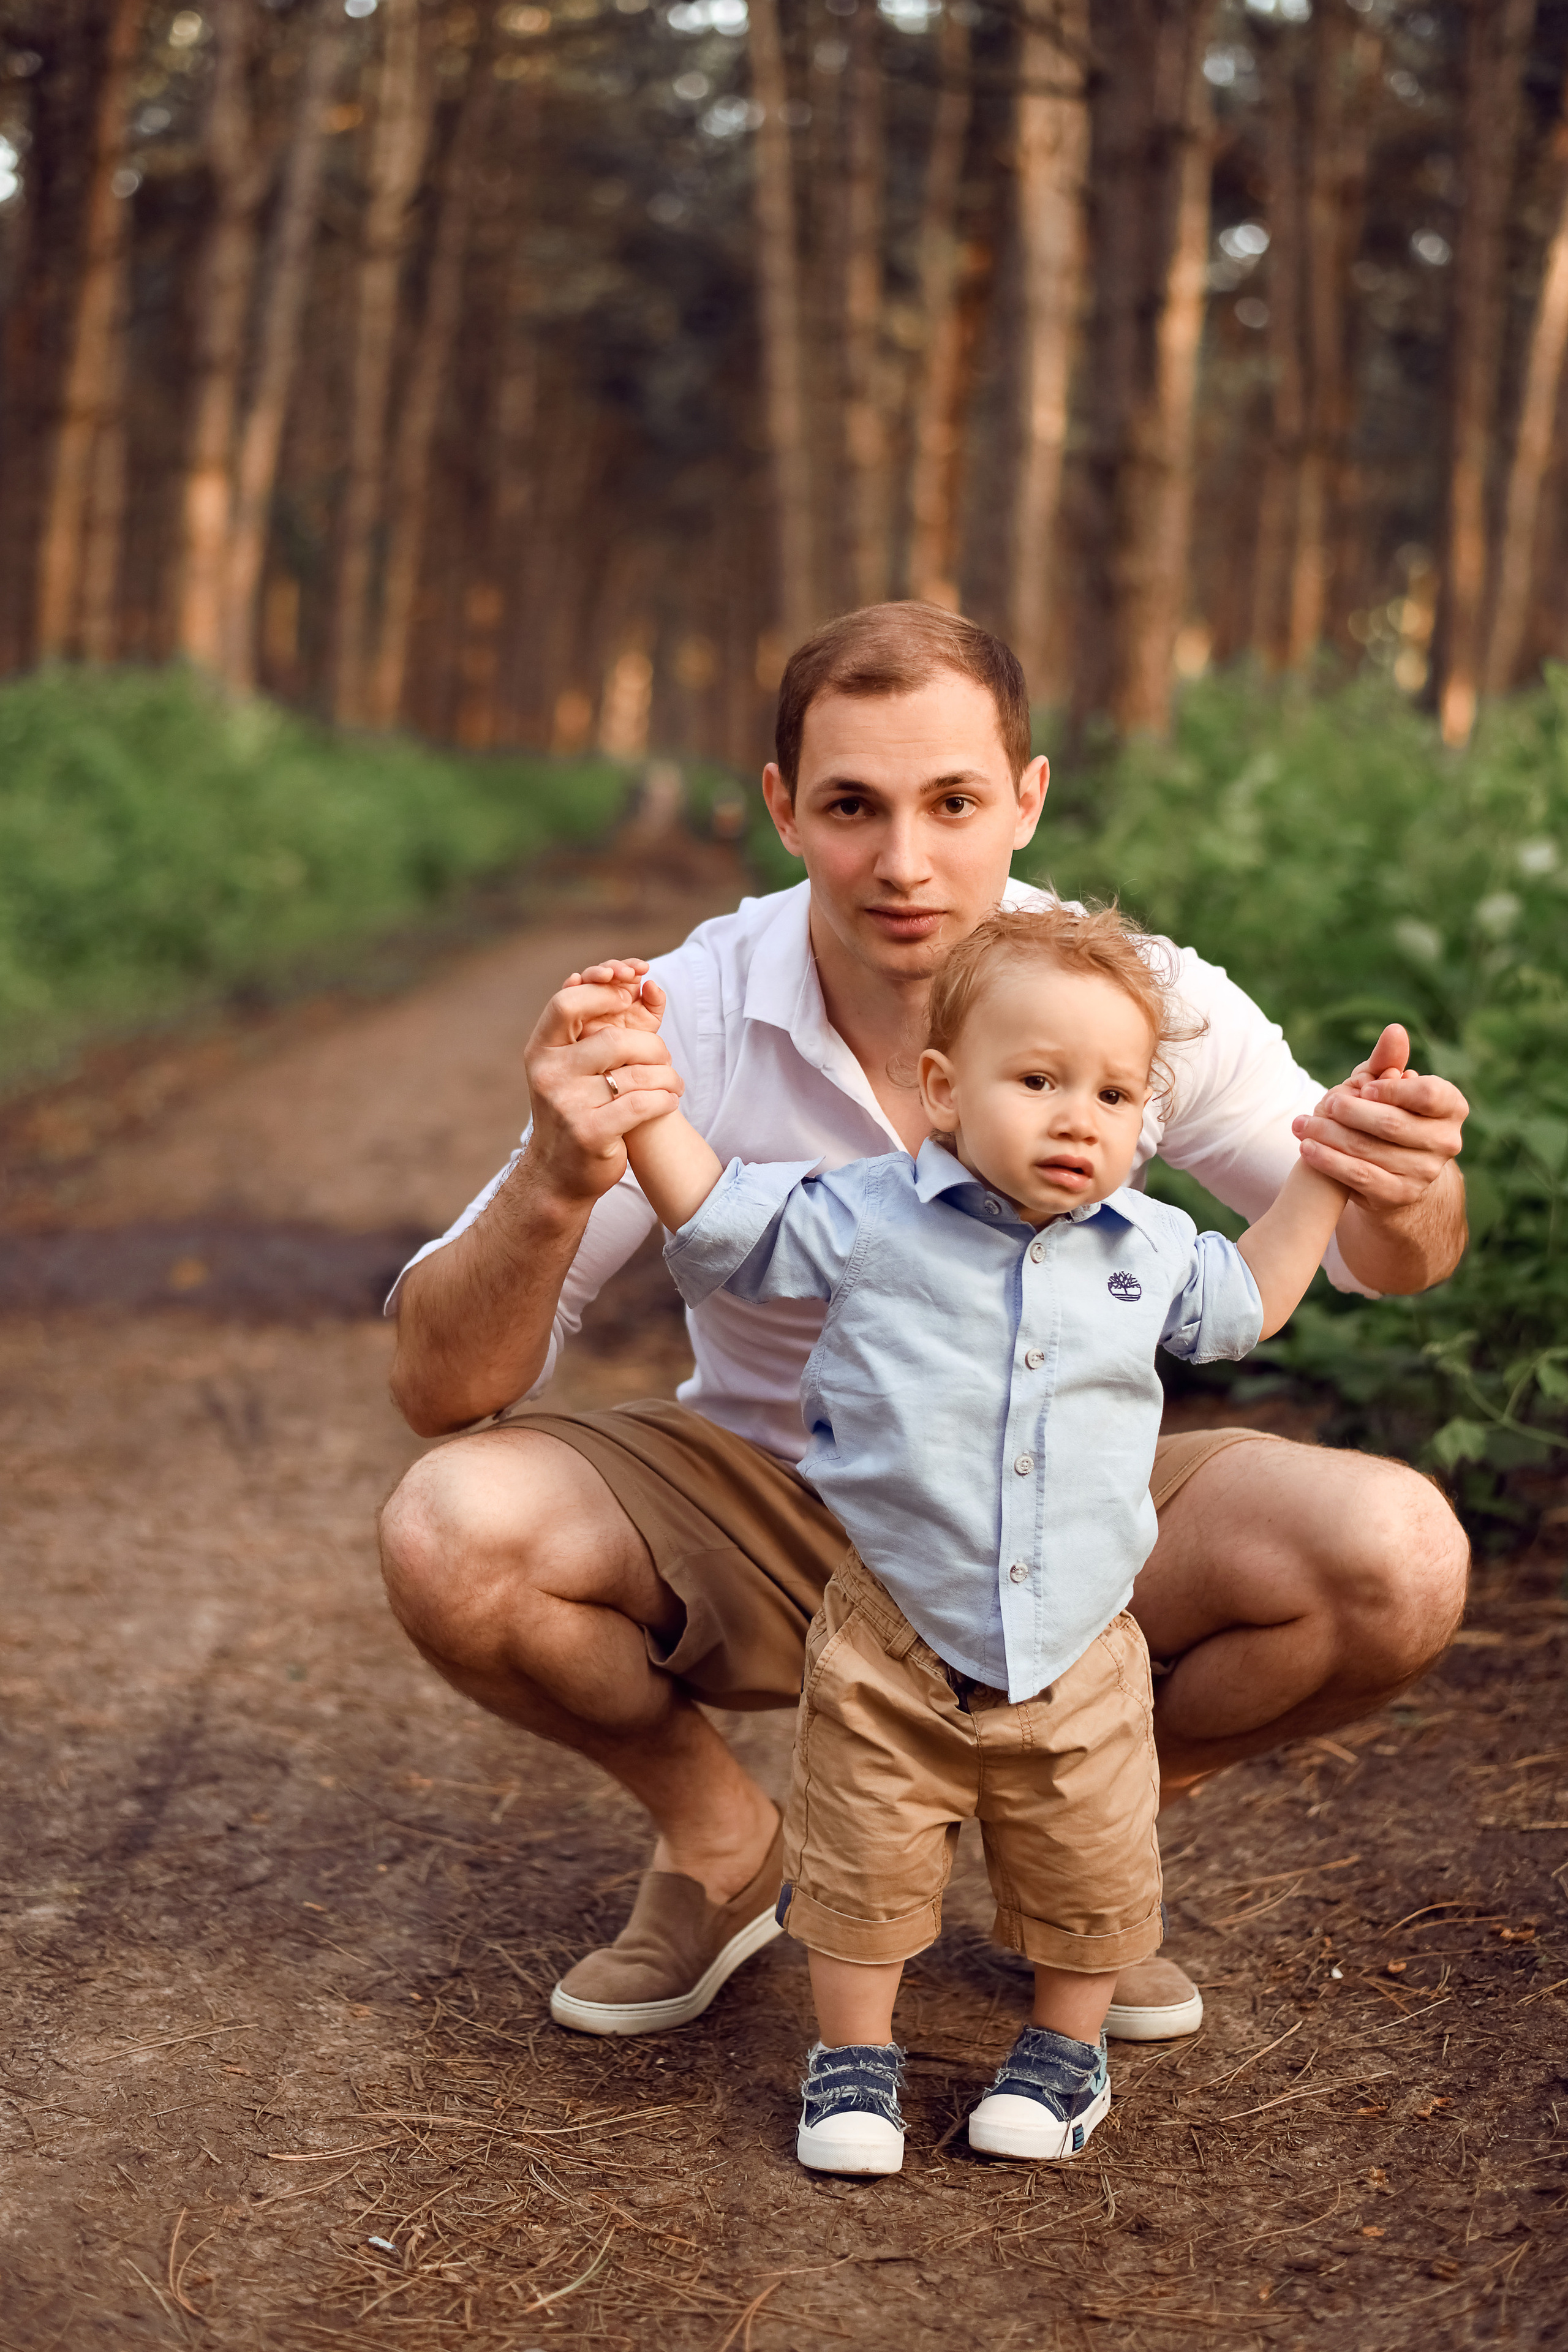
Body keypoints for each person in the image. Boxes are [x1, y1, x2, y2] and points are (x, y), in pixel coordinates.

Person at [379, 602, 1471, 2053]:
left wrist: (1399, 1184)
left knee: (1395, 1558)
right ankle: (726, 1844)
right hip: (765, 1500)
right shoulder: (686, 1008)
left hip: (1058, 1502)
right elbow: (441, 1386)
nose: (904, 863)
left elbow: (1389, 1263)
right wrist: (555, 1174)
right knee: (451, 1528)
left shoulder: (1136, 1000)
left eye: (952, 802)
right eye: (851, 807)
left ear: (1024, 796)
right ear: (781, 810)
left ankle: (1072, 1854)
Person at [581, 900, 1355, 2174]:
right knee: (861, 1853)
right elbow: (726, 1228)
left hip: (1082, 1637)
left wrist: (1318, 1171)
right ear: (944, 1089)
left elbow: (1246, 1303)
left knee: (1088, 1861)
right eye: (1038, 1080)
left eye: (1113, 1096)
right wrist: (645, 1099)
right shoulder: (870, 1214)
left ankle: (1062, 2056)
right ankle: (850, 2063)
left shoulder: (1150, 1244)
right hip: (890, 1622)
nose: (1076, 1118)